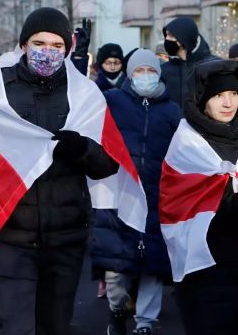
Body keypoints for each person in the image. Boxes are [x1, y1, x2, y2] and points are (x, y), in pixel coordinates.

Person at [0, 7, 120, 334]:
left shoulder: (84, 95)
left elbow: (107, 165)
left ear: (67, 49)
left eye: (57, 46)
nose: (48, 52)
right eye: (39, 43)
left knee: (55, 327)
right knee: (17, 329)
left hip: (65, 238)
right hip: (11, 236)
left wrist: (81, 148)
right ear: (24, 46)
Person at [160, 60, 238, 335]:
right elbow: (174, 198)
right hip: (201, 261)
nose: (228, 102)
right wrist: (230, 201)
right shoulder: (186, 141)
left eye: (232, 94)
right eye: (218, 96)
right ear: (202, 101)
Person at [94, 49, 182, 335]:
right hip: (121, 195)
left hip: (159, 197)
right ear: (130, 74)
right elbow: (84, 105)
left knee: (153, 267)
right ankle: (117, 309)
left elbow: (183, 151)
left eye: (150, 71)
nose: (145, 77)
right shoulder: (113, 101)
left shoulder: (171, 111)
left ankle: (145, 323)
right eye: (139, 71)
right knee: (118, 267)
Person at [160, 17, 221, 107]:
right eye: (166, 35)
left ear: (183, 39)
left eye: (171, 36)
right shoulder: (164, 70)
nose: (166, 39)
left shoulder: (214, 66)